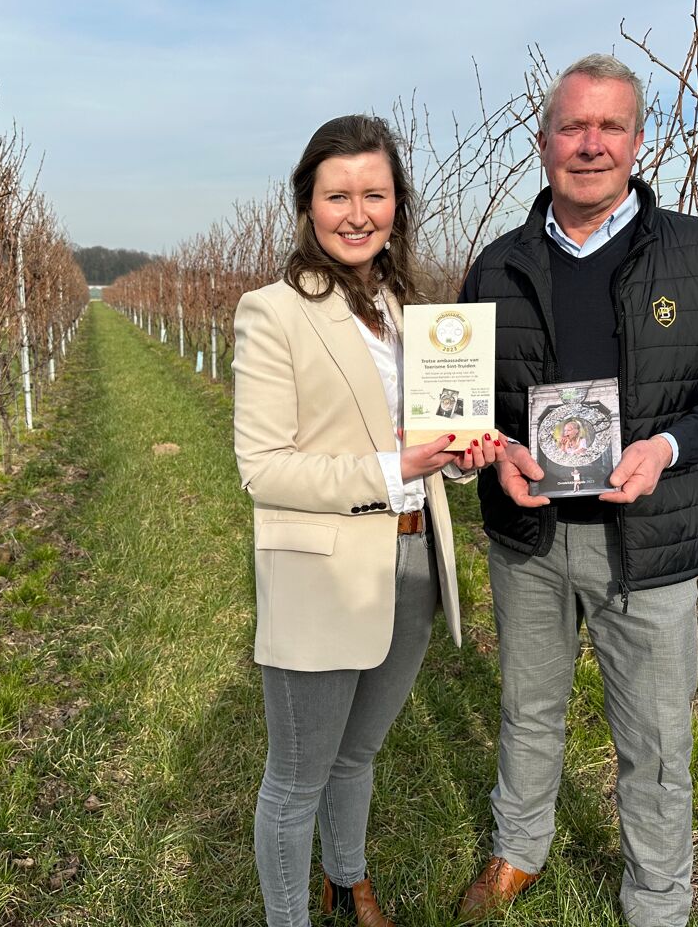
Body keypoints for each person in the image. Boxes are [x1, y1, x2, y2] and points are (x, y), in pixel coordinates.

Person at [455, 55, 698, 927]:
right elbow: (463, 405)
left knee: (657, 741)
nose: (589, 144)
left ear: (638, 140)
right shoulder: (495, 267)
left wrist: (667, 447)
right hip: (530, 538)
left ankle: (657, 900)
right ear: (543, 140)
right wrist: (490, 452)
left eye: (609, 127)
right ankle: (518, 847)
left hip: (651, 541)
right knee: (527, 709)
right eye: (571, 126)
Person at [232, 114, 503, 927]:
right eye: (338, 195)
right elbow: (263, 467)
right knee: (296, 777)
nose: (357, 213)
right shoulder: (272, 311)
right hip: (324, 572)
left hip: (416, 561)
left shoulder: (406, 310)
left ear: (397, 203)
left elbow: (424, 433)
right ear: (308, 205)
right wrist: (396, 469)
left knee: (360, 751)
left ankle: (346, 880)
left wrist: (458, 453)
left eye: (374, 194)